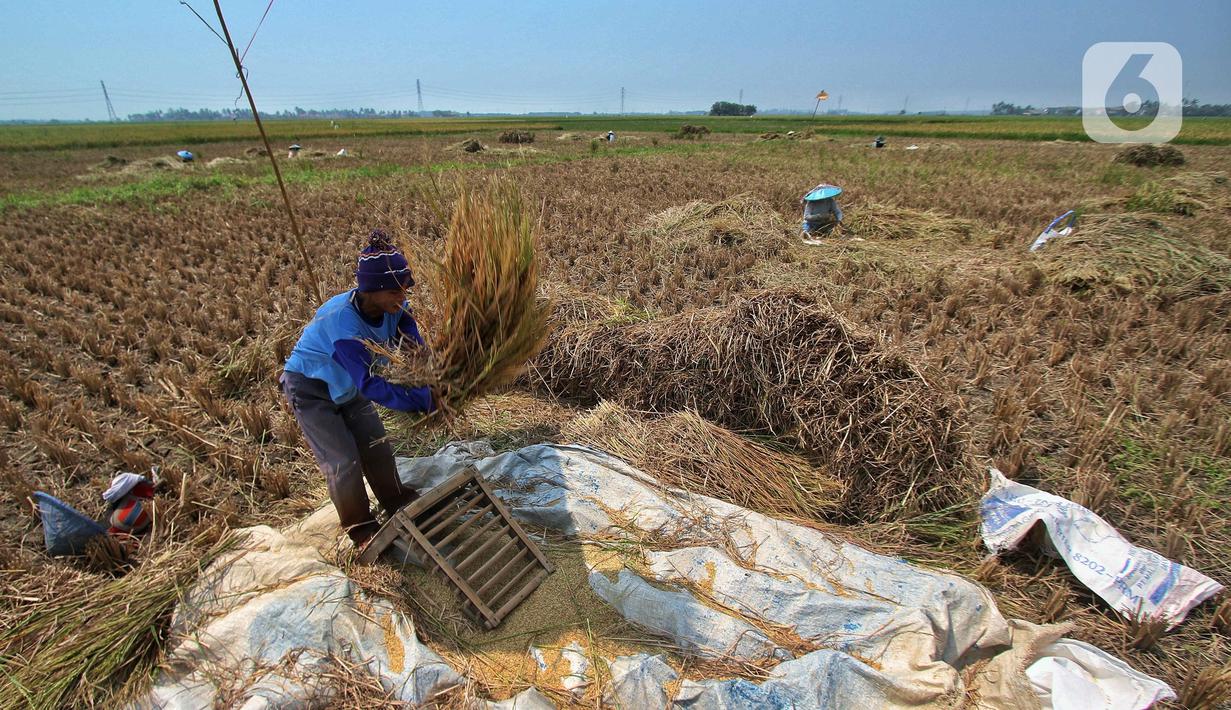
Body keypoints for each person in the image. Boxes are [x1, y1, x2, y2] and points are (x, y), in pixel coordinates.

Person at [280, 230, 435, 547]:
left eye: (405, 289)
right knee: (343, 460)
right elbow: (370, 383)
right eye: (394, 291)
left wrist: (429, 375)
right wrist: (422, 400)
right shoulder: (344, 323)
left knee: (377, 445)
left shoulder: (394, 310)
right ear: (371, 290)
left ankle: (398, 502)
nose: (402, 297)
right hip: (312, 390)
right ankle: (361, 528)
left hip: (347, 386)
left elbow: (413, 343)